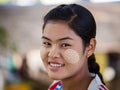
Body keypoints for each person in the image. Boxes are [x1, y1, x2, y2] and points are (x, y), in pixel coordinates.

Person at [40, 4, 108, 90]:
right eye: (47, 43)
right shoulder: (55, 86)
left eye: (65, 45)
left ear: (90, 47)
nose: (52, 54)